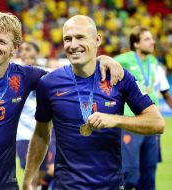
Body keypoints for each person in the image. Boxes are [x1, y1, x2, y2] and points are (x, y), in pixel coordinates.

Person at [0, 12, 124, 189]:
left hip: (6, 185)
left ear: (15, 48)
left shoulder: (25, 77)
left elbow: (65, 78)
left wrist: (99, 60)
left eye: (1, 42)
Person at [22, 15, 165, 190]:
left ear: (97, 40)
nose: (73, 45)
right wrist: (28, 179)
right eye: (68, 39)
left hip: (110, 186)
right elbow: (41, 134)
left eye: (80, 37)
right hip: (66, 186)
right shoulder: (49, 83)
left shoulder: (118, 77)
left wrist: (116, 120)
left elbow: (157, 123)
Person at [114, 26, 172, 190]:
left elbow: (165, 93)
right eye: (147, 39)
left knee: (149, 174)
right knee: (129, 175)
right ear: (136, 43)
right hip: (131, 123)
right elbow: (104, 67)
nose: (152, 42)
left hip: (151, 124)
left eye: (152, 38)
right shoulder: (123, 59)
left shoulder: (154, 63)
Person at [16, 41, 56, 189]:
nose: (24, 52)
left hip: (45, 131)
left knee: (47, 172)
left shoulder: (46, 73)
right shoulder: (15, 75)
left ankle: (42, 186)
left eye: (28, 49)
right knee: (31, 175)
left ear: (37, 53)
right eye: (22, 50)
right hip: (24, 134)